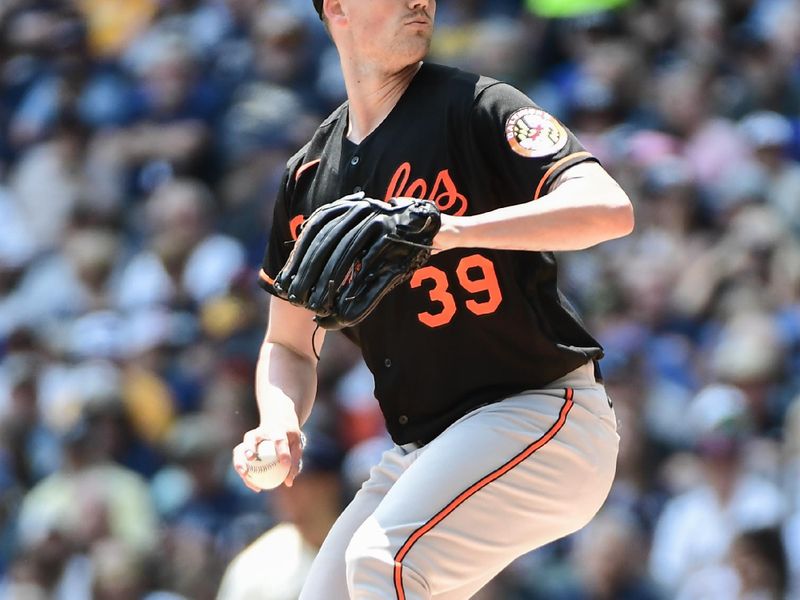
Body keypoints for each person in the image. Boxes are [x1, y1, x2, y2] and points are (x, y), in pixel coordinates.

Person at [232, 0, 633, 597]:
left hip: (540, 413)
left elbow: (608, 208)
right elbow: (287, 342)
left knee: (384, 563)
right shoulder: (311, 177)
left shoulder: (476, 105)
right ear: (337, 8)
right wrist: (281, 419)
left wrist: (455, 230)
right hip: (425, 450)